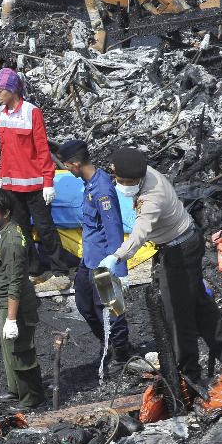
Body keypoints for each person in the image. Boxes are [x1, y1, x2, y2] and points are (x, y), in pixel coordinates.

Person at [101, 148, 222, 380]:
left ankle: (189, 374)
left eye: (125, 181)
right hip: (188, 239)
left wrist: (116, 257)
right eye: (118, 179)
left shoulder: (150, 199)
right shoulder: (148, 172)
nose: (121, 184)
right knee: (200, 303)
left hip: (178, 251)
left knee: (177, 315)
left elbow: (139, 234)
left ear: (137, 179)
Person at [0, 67, 77, 280]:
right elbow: (4, 150)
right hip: (13, 187)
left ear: (12, 90)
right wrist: (1, 178)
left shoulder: (32, 112)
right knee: (21, 230)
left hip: (35, 185)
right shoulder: (0, 114)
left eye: (0, 90)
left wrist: (48, 181)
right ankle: (33, 269)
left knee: (45, 228)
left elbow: (42, 149)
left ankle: (60, 270)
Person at [58, 139, 132, 367]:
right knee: (84, 306)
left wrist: (118, 269)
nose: (66, 170)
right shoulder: (90, 185)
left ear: (77, 164)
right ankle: (106, 341)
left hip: (103, 261)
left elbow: (114, 230)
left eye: (67, 165)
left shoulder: (101, 191)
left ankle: (122, 353)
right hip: (88, 259)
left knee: (112, 311)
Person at [0, 188, 46, 410]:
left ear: (6, 213)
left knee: (21, 352)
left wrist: (10, 318)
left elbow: (15, 282)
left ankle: (31, 398)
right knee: (9, 352)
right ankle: (16, 390)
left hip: (15, 307)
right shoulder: (0, 232)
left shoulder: (13, 241)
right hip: (3, 303)